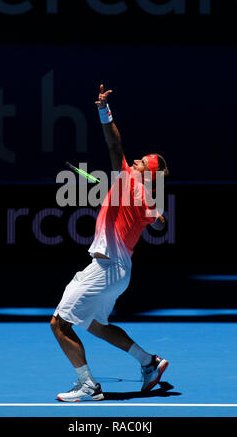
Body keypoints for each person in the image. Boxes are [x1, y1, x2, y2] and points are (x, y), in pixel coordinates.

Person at [50, 84, 169, 402]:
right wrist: (155, 212)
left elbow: (114, 146)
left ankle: (88, 385)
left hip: (106, 266)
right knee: (96, 325)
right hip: (121, 271)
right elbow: (161, 224)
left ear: (147, 172)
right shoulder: (148, 200)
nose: (138, 161)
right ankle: (150, 363)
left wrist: (104, 110)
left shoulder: (130, 178)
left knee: (59, 324)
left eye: (144, 162)